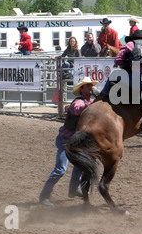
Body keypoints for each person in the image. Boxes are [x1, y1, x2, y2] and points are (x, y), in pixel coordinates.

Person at [39, 76, 99, 206]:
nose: (91, 88)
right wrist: (91, 105)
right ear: (82, 89)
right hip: (66, 140)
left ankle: (73, 189)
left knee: (79, 166)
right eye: (88, 86)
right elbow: (76, 109)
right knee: (60, 169)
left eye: (90, 86)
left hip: (74, 140)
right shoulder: (79, 102)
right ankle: (44, 196)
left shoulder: (87, 102)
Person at [103, 30, 142, 135]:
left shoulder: (130, 44)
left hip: (137, 80)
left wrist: (128, 65)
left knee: (114, 76)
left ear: (133, 39)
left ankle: (103, 94)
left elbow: (118, 60)